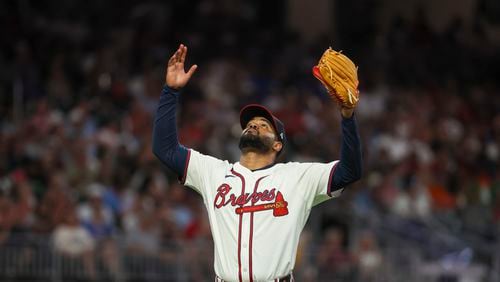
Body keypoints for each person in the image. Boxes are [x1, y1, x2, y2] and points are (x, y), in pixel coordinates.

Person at [152, 44, 362, 282]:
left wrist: (347, 118)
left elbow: (349, 171)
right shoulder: (214, 172)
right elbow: (165, 149)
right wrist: (170, 92)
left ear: (277, 145)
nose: (254, 125)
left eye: (264, 125)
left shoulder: (297, 177)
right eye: (250, 123)